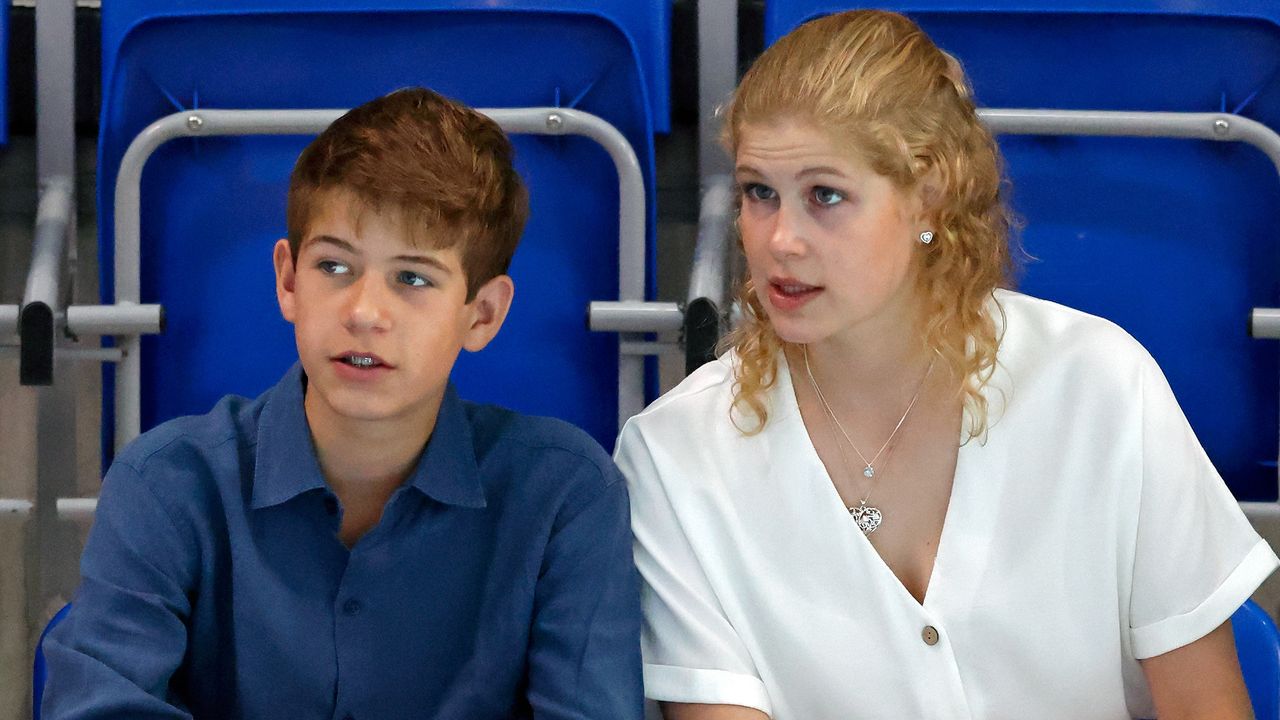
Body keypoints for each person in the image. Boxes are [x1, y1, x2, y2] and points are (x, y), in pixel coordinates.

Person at [615, 10, 1278, 720]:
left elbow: (1207, 706)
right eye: (758, 193)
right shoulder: (676, 456)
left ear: (928, 193)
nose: (780, 240)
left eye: (825, 196)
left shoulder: (1099, 384)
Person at [42, 87, 643, 719]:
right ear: (288, 280)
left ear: (483, 313)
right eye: (334, 267)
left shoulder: (565, 494)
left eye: (413, 278)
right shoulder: (165, 483)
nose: (363, 312)